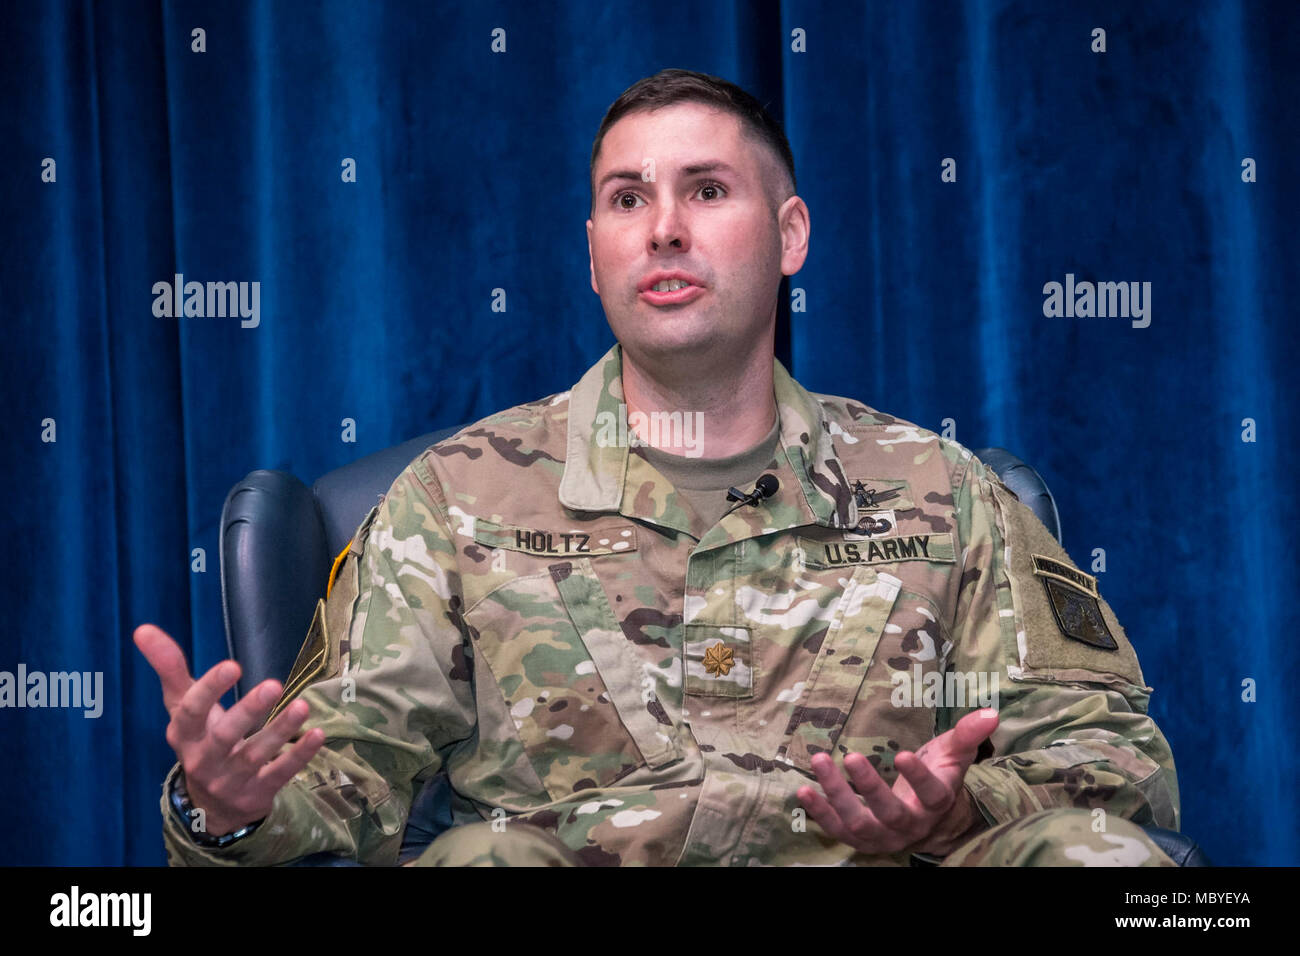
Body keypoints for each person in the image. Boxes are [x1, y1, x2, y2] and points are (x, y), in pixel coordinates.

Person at [136, 69, 1180, 867]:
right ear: (594, 252)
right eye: (628, 199)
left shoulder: (943, 491)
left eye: (707, 189)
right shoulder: (459, 498)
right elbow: (349, 766)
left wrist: (961, 810)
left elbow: (1115, 761)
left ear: (789, 235)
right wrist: (227, 804)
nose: (665, 227)